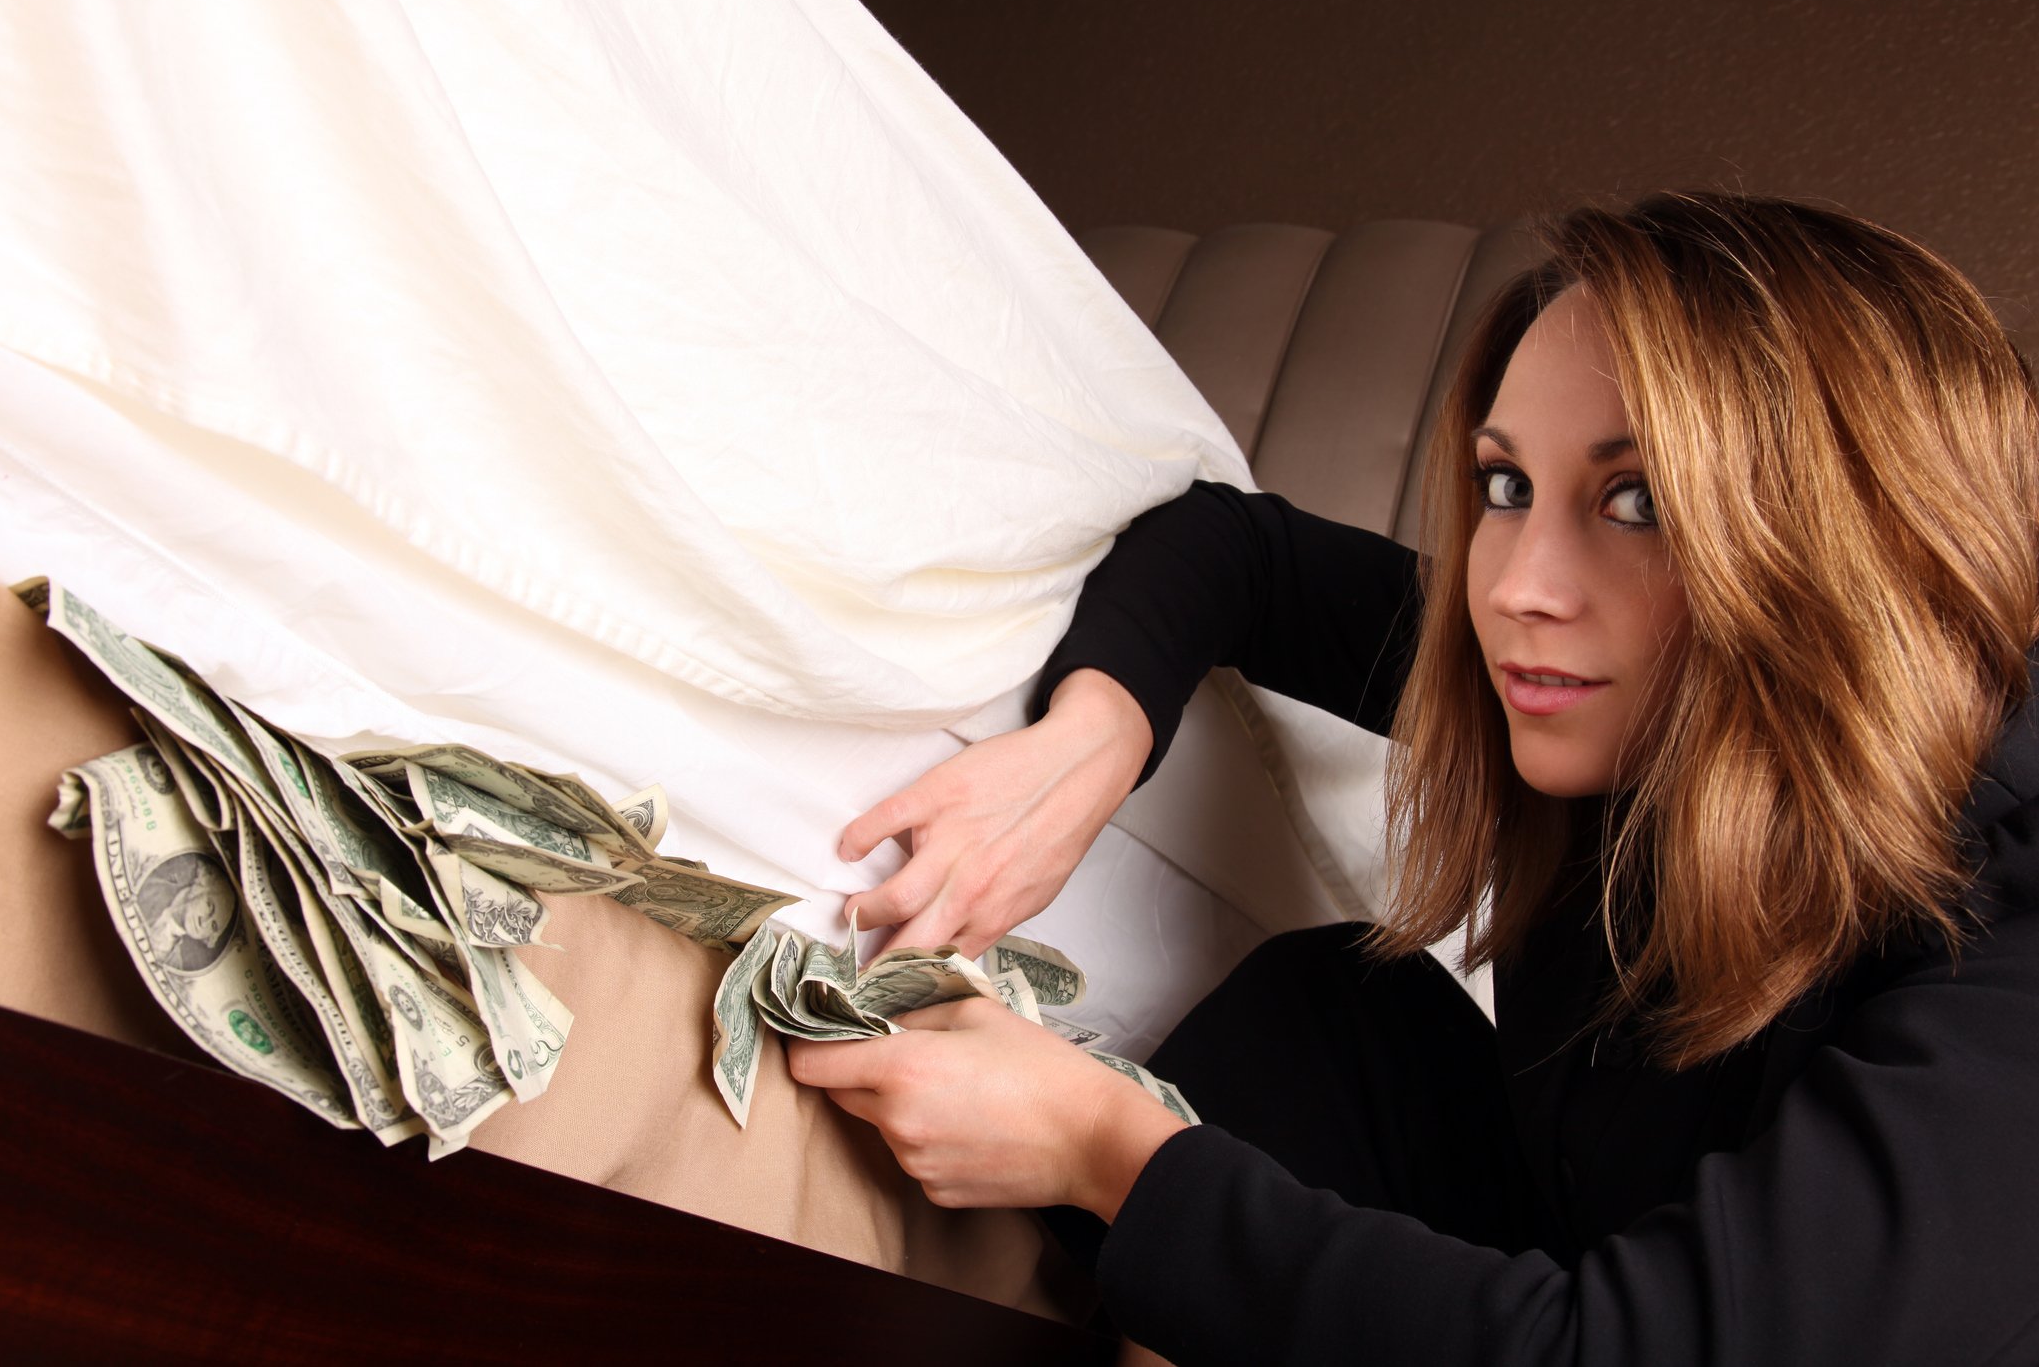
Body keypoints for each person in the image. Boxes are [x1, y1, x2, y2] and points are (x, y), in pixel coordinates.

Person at [785, 193, 2039, 1364]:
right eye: (1508, 486)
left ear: (1851, 539)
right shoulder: (1595, 686)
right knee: (1333, 1014)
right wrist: (1089, 738)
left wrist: (1107, 1148)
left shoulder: (2007, 930)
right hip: (1576, 1237)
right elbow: (1243, 553)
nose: (1515, 586)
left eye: (1637, 498)